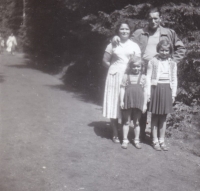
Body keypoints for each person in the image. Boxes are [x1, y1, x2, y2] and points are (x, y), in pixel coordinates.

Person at [112, 7, 186, 141]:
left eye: (156, 18)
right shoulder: (140, 33)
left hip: (159, 71)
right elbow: (126, 41)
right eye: (150, 18)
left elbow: (181, 48)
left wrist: (170, 62)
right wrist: (116, 36)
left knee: (153, 102)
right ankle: (138, 134)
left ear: (160, 19)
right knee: (141, 100)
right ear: (147, 19)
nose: (153, 21)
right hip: (140, 69)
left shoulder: (169, 33)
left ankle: (150, 134)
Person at [102, 20, 141, 143]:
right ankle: (115, 132)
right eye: (122, 29)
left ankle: (125, 131)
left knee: (126, 104)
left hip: (129, 77)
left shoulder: (134, 45)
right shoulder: (112, 44)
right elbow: (105, 61)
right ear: (118, 31)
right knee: (114, 103)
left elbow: (138, 62)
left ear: (130, 31)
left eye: (127, 29)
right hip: (114, 77)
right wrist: (115, 69)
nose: (124, 31)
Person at [147, 40, 177, 151]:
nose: (164, 52)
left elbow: (174, 79)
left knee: (164, 117)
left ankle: (162, 140)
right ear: (158, 50)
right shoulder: (152, 62)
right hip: (156, 89)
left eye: (166, 50)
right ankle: (154, 140)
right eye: (162, 50)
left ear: (170, 51)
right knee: (155, 116)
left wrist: (173, 94)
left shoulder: (173, 63)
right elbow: (148, 78)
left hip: (167, 90)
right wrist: (148, 93)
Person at [120, 56, 148, 149]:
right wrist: (121, 101)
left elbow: (145, 92)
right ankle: (125, 140)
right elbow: (122, 88)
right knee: (126, 121)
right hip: (128, 101)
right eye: (134, 66)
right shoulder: (126, 76)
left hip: (138, 102)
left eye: (138, 66)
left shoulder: (143, 77)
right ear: (130, 67)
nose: (136, 68)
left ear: (141, 67)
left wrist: (144, 104)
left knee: (136, 122)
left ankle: (136, 140)